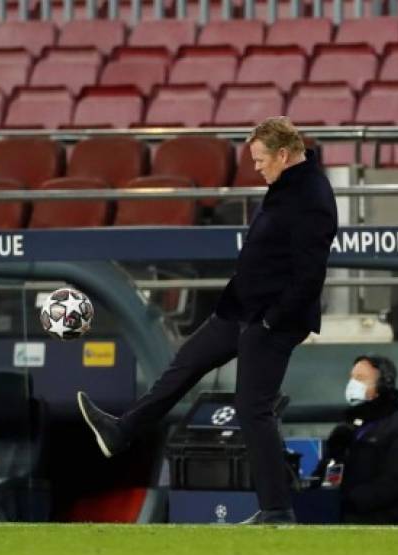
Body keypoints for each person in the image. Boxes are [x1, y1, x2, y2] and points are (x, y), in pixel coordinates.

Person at [78, 116, 338, 525]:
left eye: (260, 160)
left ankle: (276, 509)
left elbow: (311, 273)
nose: (256, 167)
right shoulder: (287, 186)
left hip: (270, 319)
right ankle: (121, 431)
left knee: (253, 408)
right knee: (183, 367)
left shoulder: (311, 195)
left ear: (283, 155)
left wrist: (273, 320)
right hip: (240, 308)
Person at [312, 355, 398, 524]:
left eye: (361, 378)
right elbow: (328, 474)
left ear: (382, 386)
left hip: (382, 521)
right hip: (338, 518)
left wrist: (349, 500)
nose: (352, 384)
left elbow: (397, 482)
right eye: (352, 378)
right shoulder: (346, 429)